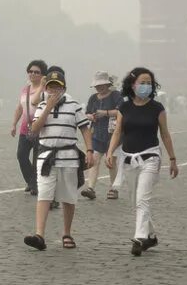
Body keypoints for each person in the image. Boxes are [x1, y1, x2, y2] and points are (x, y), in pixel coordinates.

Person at [105, 67, 178, 256]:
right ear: (132, 84)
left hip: (150, 158)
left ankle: (139, 238)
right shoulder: (124, 107)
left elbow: (165, 134)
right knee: (135, 201)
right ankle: (151, 235)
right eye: (142, 82)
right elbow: (118, 132)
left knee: (142, 199)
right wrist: (109, 152)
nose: (146, 86)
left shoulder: (157, 108)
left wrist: (172, 159)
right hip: (128, 159)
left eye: (149, 83)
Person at [23, 66, 93, 251]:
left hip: (68, 157)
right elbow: (35, 129)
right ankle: (39, 234)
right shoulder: (41, 105)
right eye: (51, 87)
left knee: (68, 197)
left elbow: (85, 129)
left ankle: (67, 233)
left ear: (64, 88)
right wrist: (48, 108)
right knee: (44, 194)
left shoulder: (74, 105)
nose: (54, 90)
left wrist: (90, 150)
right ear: (46, 88)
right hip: (46, 157)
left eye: (58, 87)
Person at [9, 60, 47, 197]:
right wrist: (14, 124)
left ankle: (35, 184)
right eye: (30, 71)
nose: (32, 74)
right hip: (25, 128)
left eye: (36, 72)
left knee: (38, 159)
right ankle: (31, 181)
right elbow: (20, 108)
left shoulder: (46, 90)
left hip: (41, 129)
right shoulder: (25, 89)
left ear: (43, 75)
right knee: (21, 155)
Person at [82, 71, 122, 199]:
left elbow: (121, 111)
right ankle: (90, 188)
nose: (99, 87)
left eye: (102, 84)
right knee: (94, 160)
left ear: (108, 84)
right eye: (97, 85)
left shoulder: (116, 95)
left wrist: (105, 112)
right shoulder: (93, 98)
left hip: (113, 134)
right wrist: (91, 116)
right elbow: (87, 113)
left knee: (111, 162)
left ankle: (113, 188)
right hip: (97, 133)